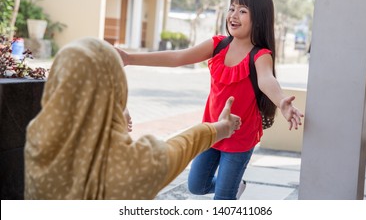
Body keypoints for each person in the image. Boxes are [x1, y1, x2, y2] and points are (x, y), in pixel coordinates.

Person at [115, 0, 304, 200]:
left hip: (239, 137)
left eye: (242, 11)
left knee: (223, 198)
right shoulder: (217, 45)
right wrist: (130, 58)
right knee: (196, 185)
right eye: (232, 8)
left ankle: (229, 190)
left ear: (258, 18)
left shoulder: (260, 55)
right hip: (211, 130)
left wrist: (282, 102)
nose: (233, 15)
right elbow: (178, 57)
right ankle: (235, 186)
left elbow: (267, 80)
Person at [24, 37, 241, 200]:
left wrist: (117, 111)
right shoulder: (128, 165)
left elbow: (84, 108)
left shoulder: (37, 136)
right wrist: (220, 128)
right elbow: (177, 149)